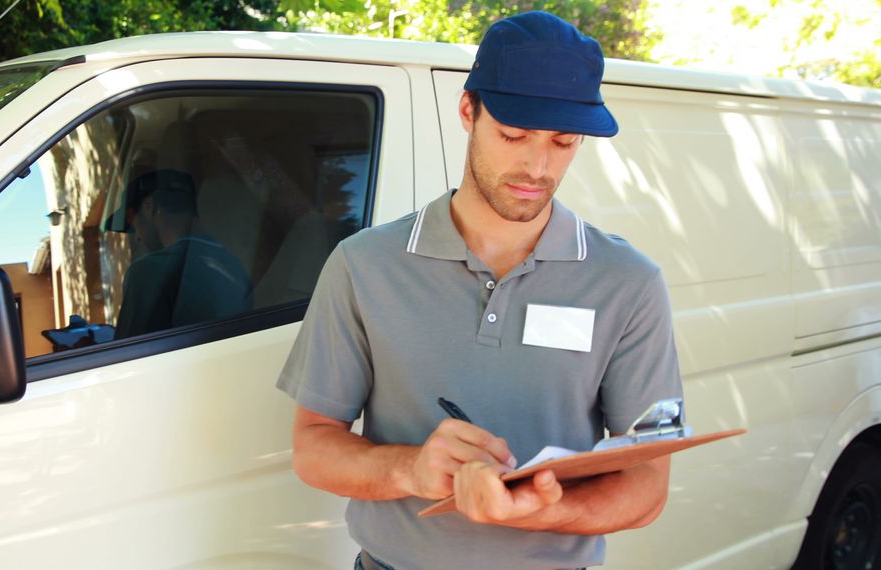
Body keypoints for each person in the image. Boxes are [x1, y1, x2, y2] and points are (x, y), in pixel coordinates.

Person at [276, 11, 684, 570]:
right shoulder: (364, 265)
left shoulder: (630, 283)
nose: (537, 167)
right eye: (513, 135)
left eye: (563, 142)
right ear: (468, 111)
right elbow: (314, 447)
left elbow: (648, 482)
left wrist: (533, 511)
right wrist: (412, 469)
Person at [115, 169, 251, 338]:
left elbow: (130, 357)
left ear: (149, 207)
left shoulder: (146, 273)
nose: (137, 237)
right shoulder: (234, 267)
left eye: (133, 223)